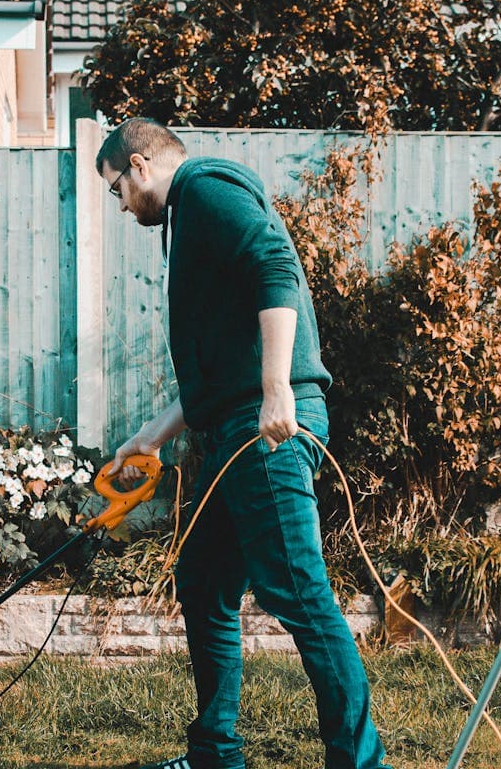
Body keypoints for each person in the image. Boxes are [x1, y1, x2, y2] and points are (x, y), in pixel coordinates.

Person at [98, 118, 391, 769]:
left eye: (116, 188)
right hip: (239, 426)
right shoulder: (187, 217)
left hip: (268, 428)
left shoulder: (206, 187)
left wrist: (277, 387)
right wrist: (151, 436)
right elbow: (219, 369)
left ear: (140, 166)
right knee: (203, 579)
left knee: (298, 592)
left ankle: (361, 764)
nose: (120, 206)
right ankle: (214, 756)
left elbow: (274, 265)